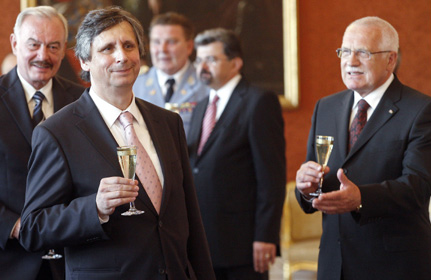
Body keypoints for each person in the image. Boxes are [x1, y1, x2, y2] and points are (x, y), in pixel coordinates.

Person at [19, 7, 215, 280]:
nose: (122, 56)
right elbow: (33, 228)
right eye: (108, 48)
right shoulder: (57, 132)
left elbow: (190, 217)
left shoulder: (168, 123)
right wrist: (94, 208)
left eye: (128, 45)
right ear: (85, 61)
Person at [295, 16, 431, 280]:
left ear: (390, 59)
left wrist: (361, 198)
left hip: (397, 266)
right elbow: (316, 181)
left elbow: (417, 186)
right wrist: (307, 188)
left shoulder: (422, 110)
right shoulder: (326, 108)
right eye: (345, 51)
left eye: (363, 53)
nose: (350, 61)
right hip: (336, 265)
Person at [187, 28, 286, 280]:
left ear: (236, 63)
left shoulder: (259, 101)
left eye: (211, 59)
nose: (202, 66)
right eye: (199, 60)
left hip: (242, 244)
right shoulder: (200, 107)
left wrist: (266, 235)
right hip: (203, 241)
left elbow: (271, 177)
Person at [0, 6, 84, 280]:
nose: (43, 56)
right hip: (10, 259)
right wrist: (12, 225)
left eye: (53, 46)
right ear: (15, 43)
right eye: (33, 44)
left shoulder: (83, 104)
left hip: (72, 260)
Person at [133, 12, 208, 136]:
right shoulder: (134, 85)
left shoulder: (206, 85)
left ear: (189, 46)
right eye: (156, 42)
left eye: (171, 42)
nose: (162, 49)